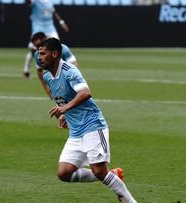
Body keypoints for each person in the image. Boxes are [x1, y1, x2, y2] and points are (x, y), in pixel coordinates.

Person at [38, 38, 137, 203]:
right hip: (76, 132)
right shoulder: (48, 75)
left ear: (54, 54)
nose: (39, 57)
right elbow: (61, 97)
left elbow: (85, 93)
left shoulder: (70, 71)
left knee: (99, 171)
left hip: (93, 126)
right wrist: (64, 114)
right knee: (64, 173)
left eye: (43, 53)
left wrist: (65, 108)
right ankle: (113, 175)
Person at [24, 32, 78, 98]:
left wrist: (71, 82)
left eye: (39, 45)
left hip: (67, 76)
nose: (39, 48)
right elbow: (40, 73)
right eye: (37, 46)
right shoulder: (37, 55)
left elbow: (74, 65)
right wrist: (48, 91)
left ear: (46, 39)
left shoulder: (62, 49)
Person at [23, 0, 69, 75]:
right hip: (38, 27)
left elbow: (54, 12)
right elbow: (28, 3)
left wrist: (62, 22)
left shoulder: (49, 2)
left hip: (50, 28)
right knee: (33, 50)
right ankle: (26, 69)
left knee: (58, 46)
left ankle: (60, 69)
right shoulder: (36, 1)